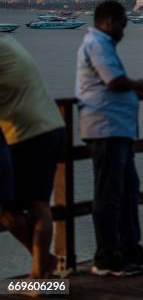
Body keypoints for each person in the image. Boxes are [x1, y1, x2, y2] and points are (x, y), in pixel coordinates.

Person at [76, 0, 143, 277]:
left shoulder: (104, 44)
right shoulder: (97, 44)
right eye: (123, 23)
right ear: (110, 21)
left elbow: (114, 84)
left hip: (117, 129)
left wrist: (134, 90)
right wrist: (138, 85)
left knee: (127, 191)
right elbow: (114, 81)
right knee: (109, 195)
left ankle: (129, 249)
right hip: (105, 128)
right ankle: (106, 257)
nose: (125, 29)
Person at [0, 35, 66, 279]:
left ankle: (41, 272)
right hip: (51, 128)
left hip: (27, 134)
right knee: (38, 203)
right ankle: (42, 272)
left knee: (9, 208)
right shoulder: (9, 41)